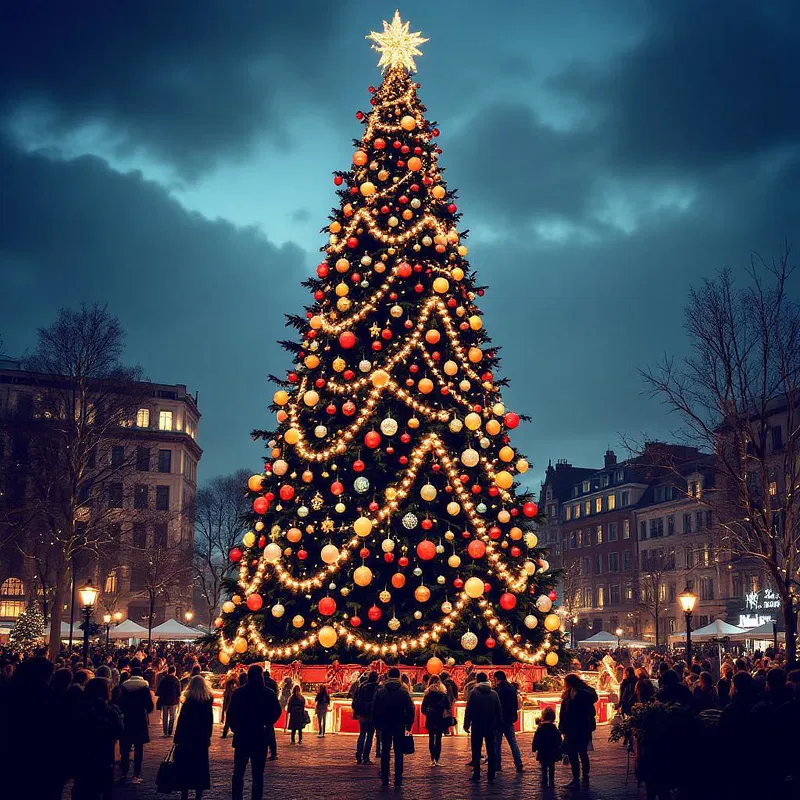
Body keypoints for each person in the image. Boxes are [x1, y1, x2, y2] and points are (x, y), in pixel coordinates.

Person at [227, 664, 282, 800]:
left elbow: (230, 714)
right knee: (258, 775)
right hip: (260, 737)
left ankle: (237, 797)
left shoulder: (239, 693)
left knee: (238, 773)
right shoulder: (268, 693)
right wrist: (267, 722)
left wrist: (236, 728)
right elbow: (277, 712)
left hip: (242, 737)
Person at [72, 677, 124, 800]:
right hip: (103, 757)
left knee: (83, 790)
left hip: (82, 758)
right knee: (104, 789)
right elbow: (119, 732)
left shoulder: (79, 708)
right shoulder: (109, 711)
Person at [372, 666, 415, 788]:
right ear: (399, 676)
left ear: (388, 676)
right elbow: (410, 710)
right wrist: (409, 724)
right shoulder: (403, 692)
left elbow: (374, 709)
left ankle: (385, 777)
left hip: (384, 725)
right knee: (398, 752)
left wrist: (376, 724)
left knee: (385, 751)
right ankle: (398, 777)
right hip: (399, 724)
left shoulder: (380, 691)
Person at [174, 675, 214, 800]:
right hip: (201, 739)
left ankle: (184, 794)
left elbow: (182, 721)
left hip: (187, 738)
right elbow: (209, 721)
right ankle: (198, 793)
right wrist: (208, 737)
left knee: (185, 766)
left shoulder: (189, 701)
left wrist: (177, 737)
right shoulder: (207, 702)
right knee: (200, 767)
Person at [558, 673, 598, 790]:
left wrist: (564, 727)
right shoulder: (585, 692)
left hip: (574, 728)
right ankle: (584, 778)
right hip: (583, 728)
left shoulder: (574, 694)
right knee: (582, 753)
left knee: (574, 754)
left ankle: (577, 779)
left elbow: (566, 713)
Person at [464, 671, 503, 784]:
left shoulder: (473, 693)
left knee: (476, 750)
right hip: (491, 725)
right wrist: (499, 724)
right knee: (491, 750)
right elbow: (498, 710)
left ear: (477, 680)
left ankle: (476, 774)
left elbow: (469, 710)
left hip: (477, 725)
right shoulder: (494, 694)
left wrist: (466, 724)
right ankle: (491, 775)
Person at [118, 666, 154, 784]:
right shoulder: (144, 687)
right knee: (139, 748)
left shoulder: (124, 686)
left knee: (125, 748)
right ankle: (136, 774)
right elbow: (149, 706)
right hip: (139, 720)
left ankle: (123, 772)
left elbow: (120, 703)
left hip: (127, 720)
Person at [493, 670, 524, 772]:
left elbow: (496, 706)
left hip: (499, 720)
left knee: (497, 743)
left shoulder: (498, 690)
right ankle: (518, 762)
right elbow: (515, 704)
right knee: (512, 742)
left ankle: (497, 765)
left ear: (497, 679)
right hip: (509, 719)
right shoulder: (512, 688)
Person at [421, 675, 450, 766]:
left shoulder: (427, 694)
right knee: (438, 739)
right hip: (440, 719)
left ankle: (432, 758)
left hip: (430, 719)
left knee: (431, 738)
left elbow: (423, 708)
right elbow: (448, 707)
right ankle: (437, 759)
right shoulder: (443, 694)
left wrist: (429, 712)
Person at [532, 706, 562, 789]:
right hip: (552, 751)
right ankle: (551, 781)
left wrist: (534, 747)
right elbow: (558, 739)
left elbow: (536, 739)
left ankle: (544, 780)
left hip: (543, 751)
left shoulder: (540, 728)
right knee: (552, 766)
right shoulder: (554, 729)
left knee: (543, 766)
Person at [353, 671, 379, 764]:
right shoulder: (376, 687)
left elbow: (356, 699)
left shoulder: (361, 686)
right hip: (371, 714)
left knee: (362, 734)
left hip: (362, 713)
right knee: (370, 736)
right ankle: (366, 757)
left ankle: (358, 755)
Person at [156, 664, 181, 737]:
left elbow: (159, 690)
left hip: (164, 700)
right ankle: (170, 732)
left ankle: (165, 732)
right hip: (173, 700)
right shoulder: (176, 680)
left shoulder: (164, 680)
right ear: (174, 671)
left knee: (165, 716)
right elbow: (178, 692)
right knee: (172, 717)